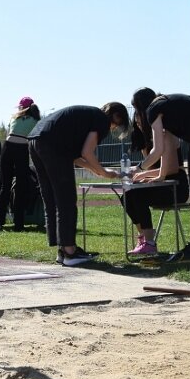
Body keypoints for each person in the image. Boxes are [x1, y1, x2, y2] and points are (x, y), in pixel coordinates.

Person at [28, 102, 130, 266]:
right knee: (66, 199)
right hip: (52, 144)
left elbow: (75, 156)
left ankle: (63, 249)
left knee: (52, 199)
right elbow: (87, 152)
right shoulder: (101, 120)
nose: (112, 128)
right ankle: (70, 252)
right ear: (116, 116)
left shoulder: (85, 118)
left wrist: (96, 169)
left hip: (35, 141)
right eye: (116, 124)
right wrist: (103, 172)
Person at [133, 93, 190, 260]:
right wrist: (161, 176)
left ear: (141, 108)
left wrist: (138, 168)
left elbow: (158, 150)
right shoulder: (167, 102)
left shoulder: (153, 110)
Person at [122, 88, 189, 256]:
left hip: (176, 186)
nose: (137, 121)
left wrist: (142, 174)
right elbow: (153, 169)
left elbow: (172, 169)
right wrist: (138, 176)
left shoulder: (167, 133)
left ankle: (149, 243)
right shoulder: (149, 139)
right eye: (135, 119)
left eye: (139, 115)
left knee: (138, 195)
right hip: (162, 183)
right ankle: (144, 238)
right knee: (128, 195)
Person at [0, 97, 41, 232]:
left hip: (7, 148)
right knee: (20, 187)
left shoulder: (13, 117)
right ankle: (19, 224)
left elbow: (10, 133)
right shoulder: (36, 120)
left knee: (5, 187)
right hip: (22, 150)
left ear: (22, 107)